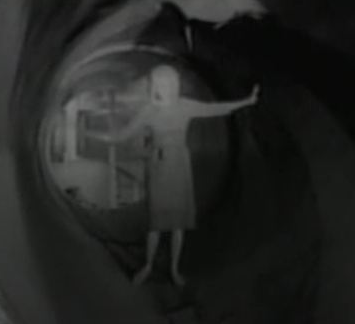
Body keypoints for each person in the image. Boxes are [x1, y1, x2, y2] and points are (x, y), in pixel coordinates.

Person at [86, 64, 259, 286]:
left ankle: (174, 270)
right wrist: (96, 135)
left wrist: (246, 101)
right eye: (159, 84)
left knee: (179, 222)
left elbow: (214, 109)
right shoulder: (149, 110)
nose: (163, 88)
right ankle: (148, 266)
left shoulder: (184, 105)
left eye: (167, 84)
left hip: (180, 166)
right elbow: (122, 135)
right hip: (159, 167)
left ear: (174, 85)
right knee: (156, 222)